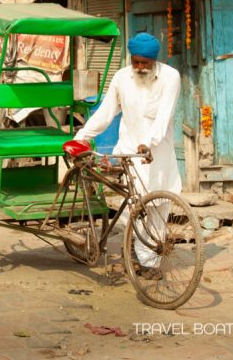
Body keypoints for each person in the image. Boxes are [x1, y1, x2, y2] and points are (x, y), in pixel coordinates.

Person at [73, 32, 181, 280]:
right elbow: (105, 113)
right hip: (129, 152)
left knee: (159, 207)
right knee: (132, 207)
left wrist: (149, 143)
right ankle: (141, 256)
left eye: (145, 63)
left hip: (158, 153)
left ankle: (150, 260)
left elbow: (164, 117)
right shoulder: (122, 77)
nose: (140, 67)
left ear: (154, 60)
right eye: (136, 62)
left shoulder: (170, 77)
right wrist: (82, 137)